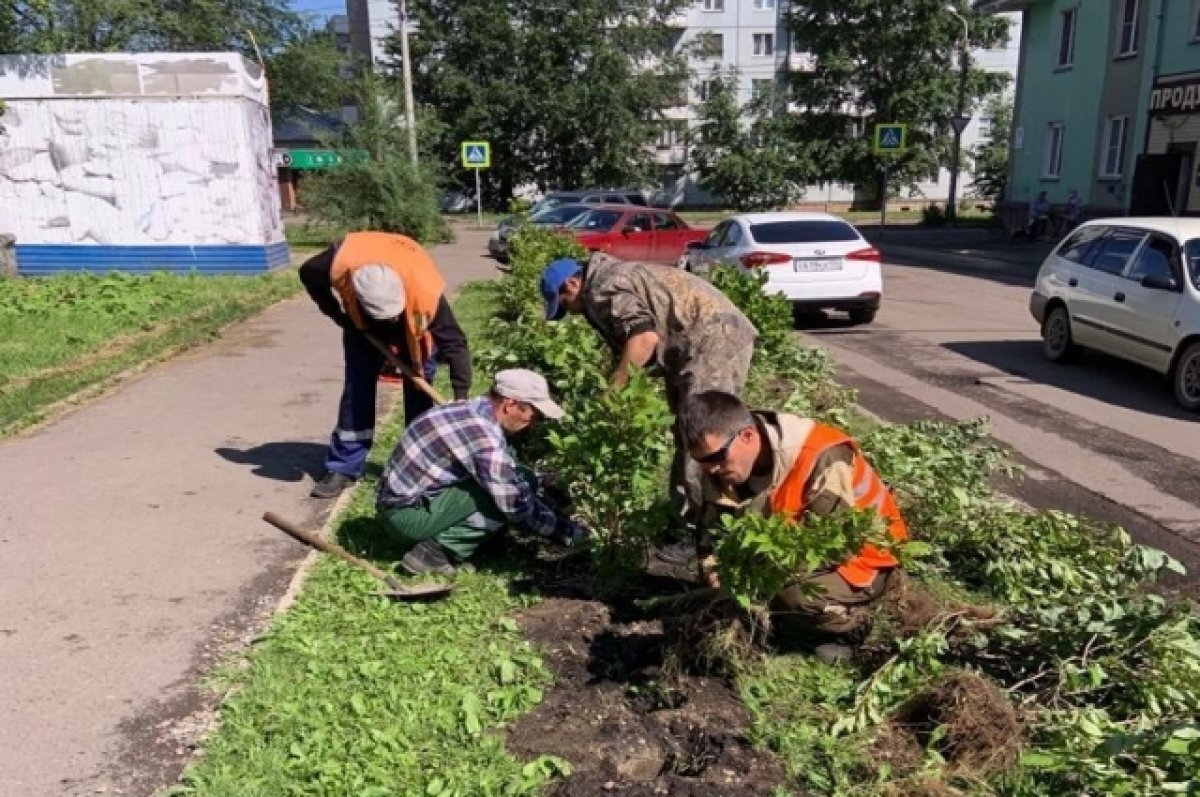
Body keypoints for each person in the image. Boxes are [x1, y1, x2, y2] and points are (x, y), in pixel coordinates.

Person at [539, 253, 758, 559]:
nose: (572, 313)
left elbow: (643, 339)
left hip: (712, 341)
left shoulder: (603, 286)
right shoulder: (614, 276)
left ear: (573, 283)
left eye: (566, 305)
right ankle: (692, 520)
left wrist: (612, 392)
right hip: (696, 343)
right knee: (687, 433)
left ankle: (701, 533)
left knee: (703, 438)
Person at [679, 390, 909, 661]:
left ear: (748, 436)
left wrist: (759, 580)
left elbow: (830, 547)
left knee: (793, 596)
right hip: (789, 548)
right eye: (701, 461)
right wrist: (714, 570)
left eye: (716, 458)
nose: (710, 469)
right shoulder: (721, 462)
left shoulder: (821, 455)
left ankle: (849, 628)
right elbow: (712, 530)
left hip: (864, 557)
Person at [299, 232, 472, 499]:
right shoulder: (337, 263)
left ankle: (419, 463)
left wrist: (461, 399)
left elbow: (455, 344)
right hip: (361, 326)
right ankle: (344, 467)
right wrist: (336, 314)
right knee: (358, 389)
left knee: (419, 386)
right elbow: (307, 273)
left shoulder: (426, 295)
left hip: (412, 325)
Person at [376, 369, 588, 574]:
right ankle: (433, 555)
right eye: (533, 416)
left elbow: (512, 473)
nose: (532, 424)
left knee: (523, 478)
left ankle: (477, 541)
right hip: (405, 518)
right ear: (510, 404)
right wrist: (569, 533)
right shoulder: (483, 437)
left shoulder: (470, 408)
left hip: (401, 503)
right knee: (501, 498)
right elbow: (515, 505)